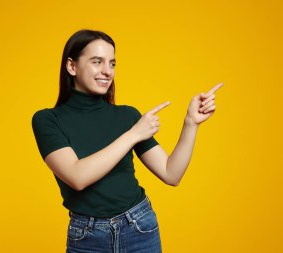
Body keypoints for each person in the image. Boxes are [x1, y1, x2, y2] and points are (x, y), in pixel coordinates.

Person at [31, 29, 223, 253]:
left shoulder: (127, 115)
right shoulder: (47, 120)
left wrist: (191, 123)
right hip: (87, 237)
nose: (107, 71)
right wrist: (133, 135)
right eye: (97, 62)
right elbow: (77, 177)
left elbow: (172, 174)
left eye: (112, 63)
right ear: (72, 66)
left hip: (139, 227)